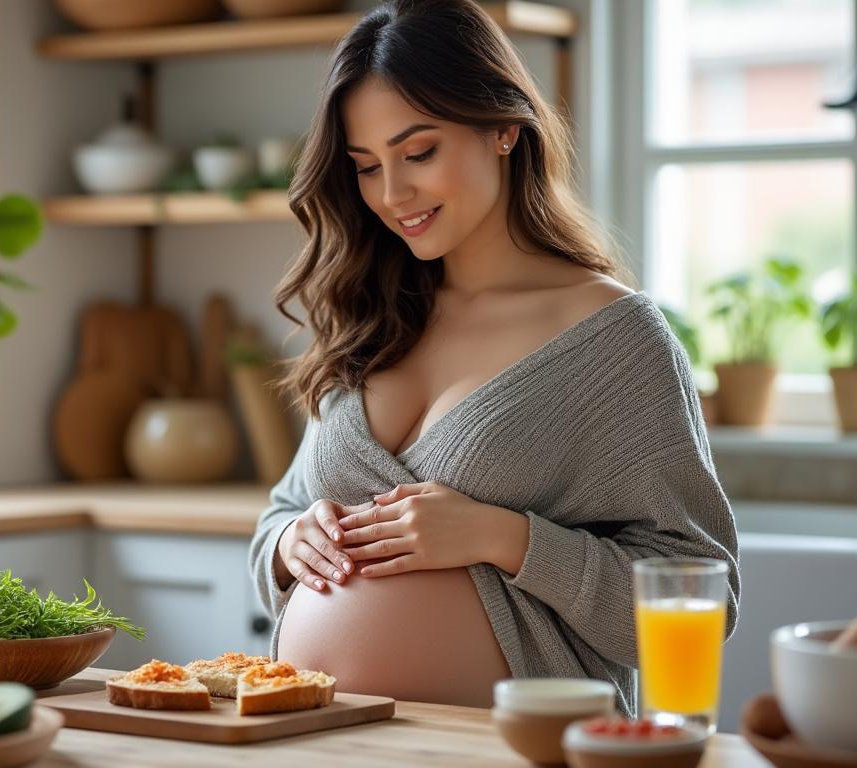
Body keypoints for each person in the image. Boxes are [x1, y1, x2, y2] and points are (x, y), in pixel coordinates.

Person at [247, 0, 740, 712]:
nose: (393, 194)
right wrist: (293, 542)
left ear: (504, 129)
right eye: (365, 167)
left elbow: (702, 594)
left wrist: (505, 538)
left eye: (419, 153)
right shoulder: (369, 315)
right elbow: (279, 517)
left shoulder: (613, 341)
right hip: (313, 739)